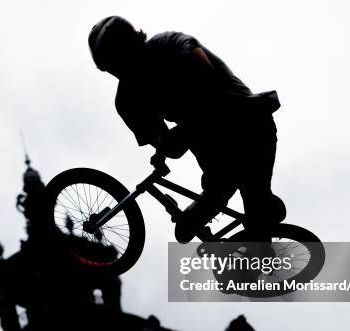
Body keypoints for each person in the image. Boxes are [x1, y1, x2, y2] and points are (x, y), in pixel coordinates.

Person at [88, 16, 285, 243]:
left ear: (134, 45)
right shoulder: (127, 101)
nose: (124, 70)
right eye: (113, 66)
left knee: (256, 209)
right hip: (214, 154)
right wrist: (162, 148)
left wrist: (179, 133)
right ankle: (258, 206)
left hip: (248, 127)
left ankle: (262, 213)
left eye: (122, 60)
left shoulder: (168, 44)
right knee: (186, 226)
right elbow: (169, 145)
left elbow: (207, 78)